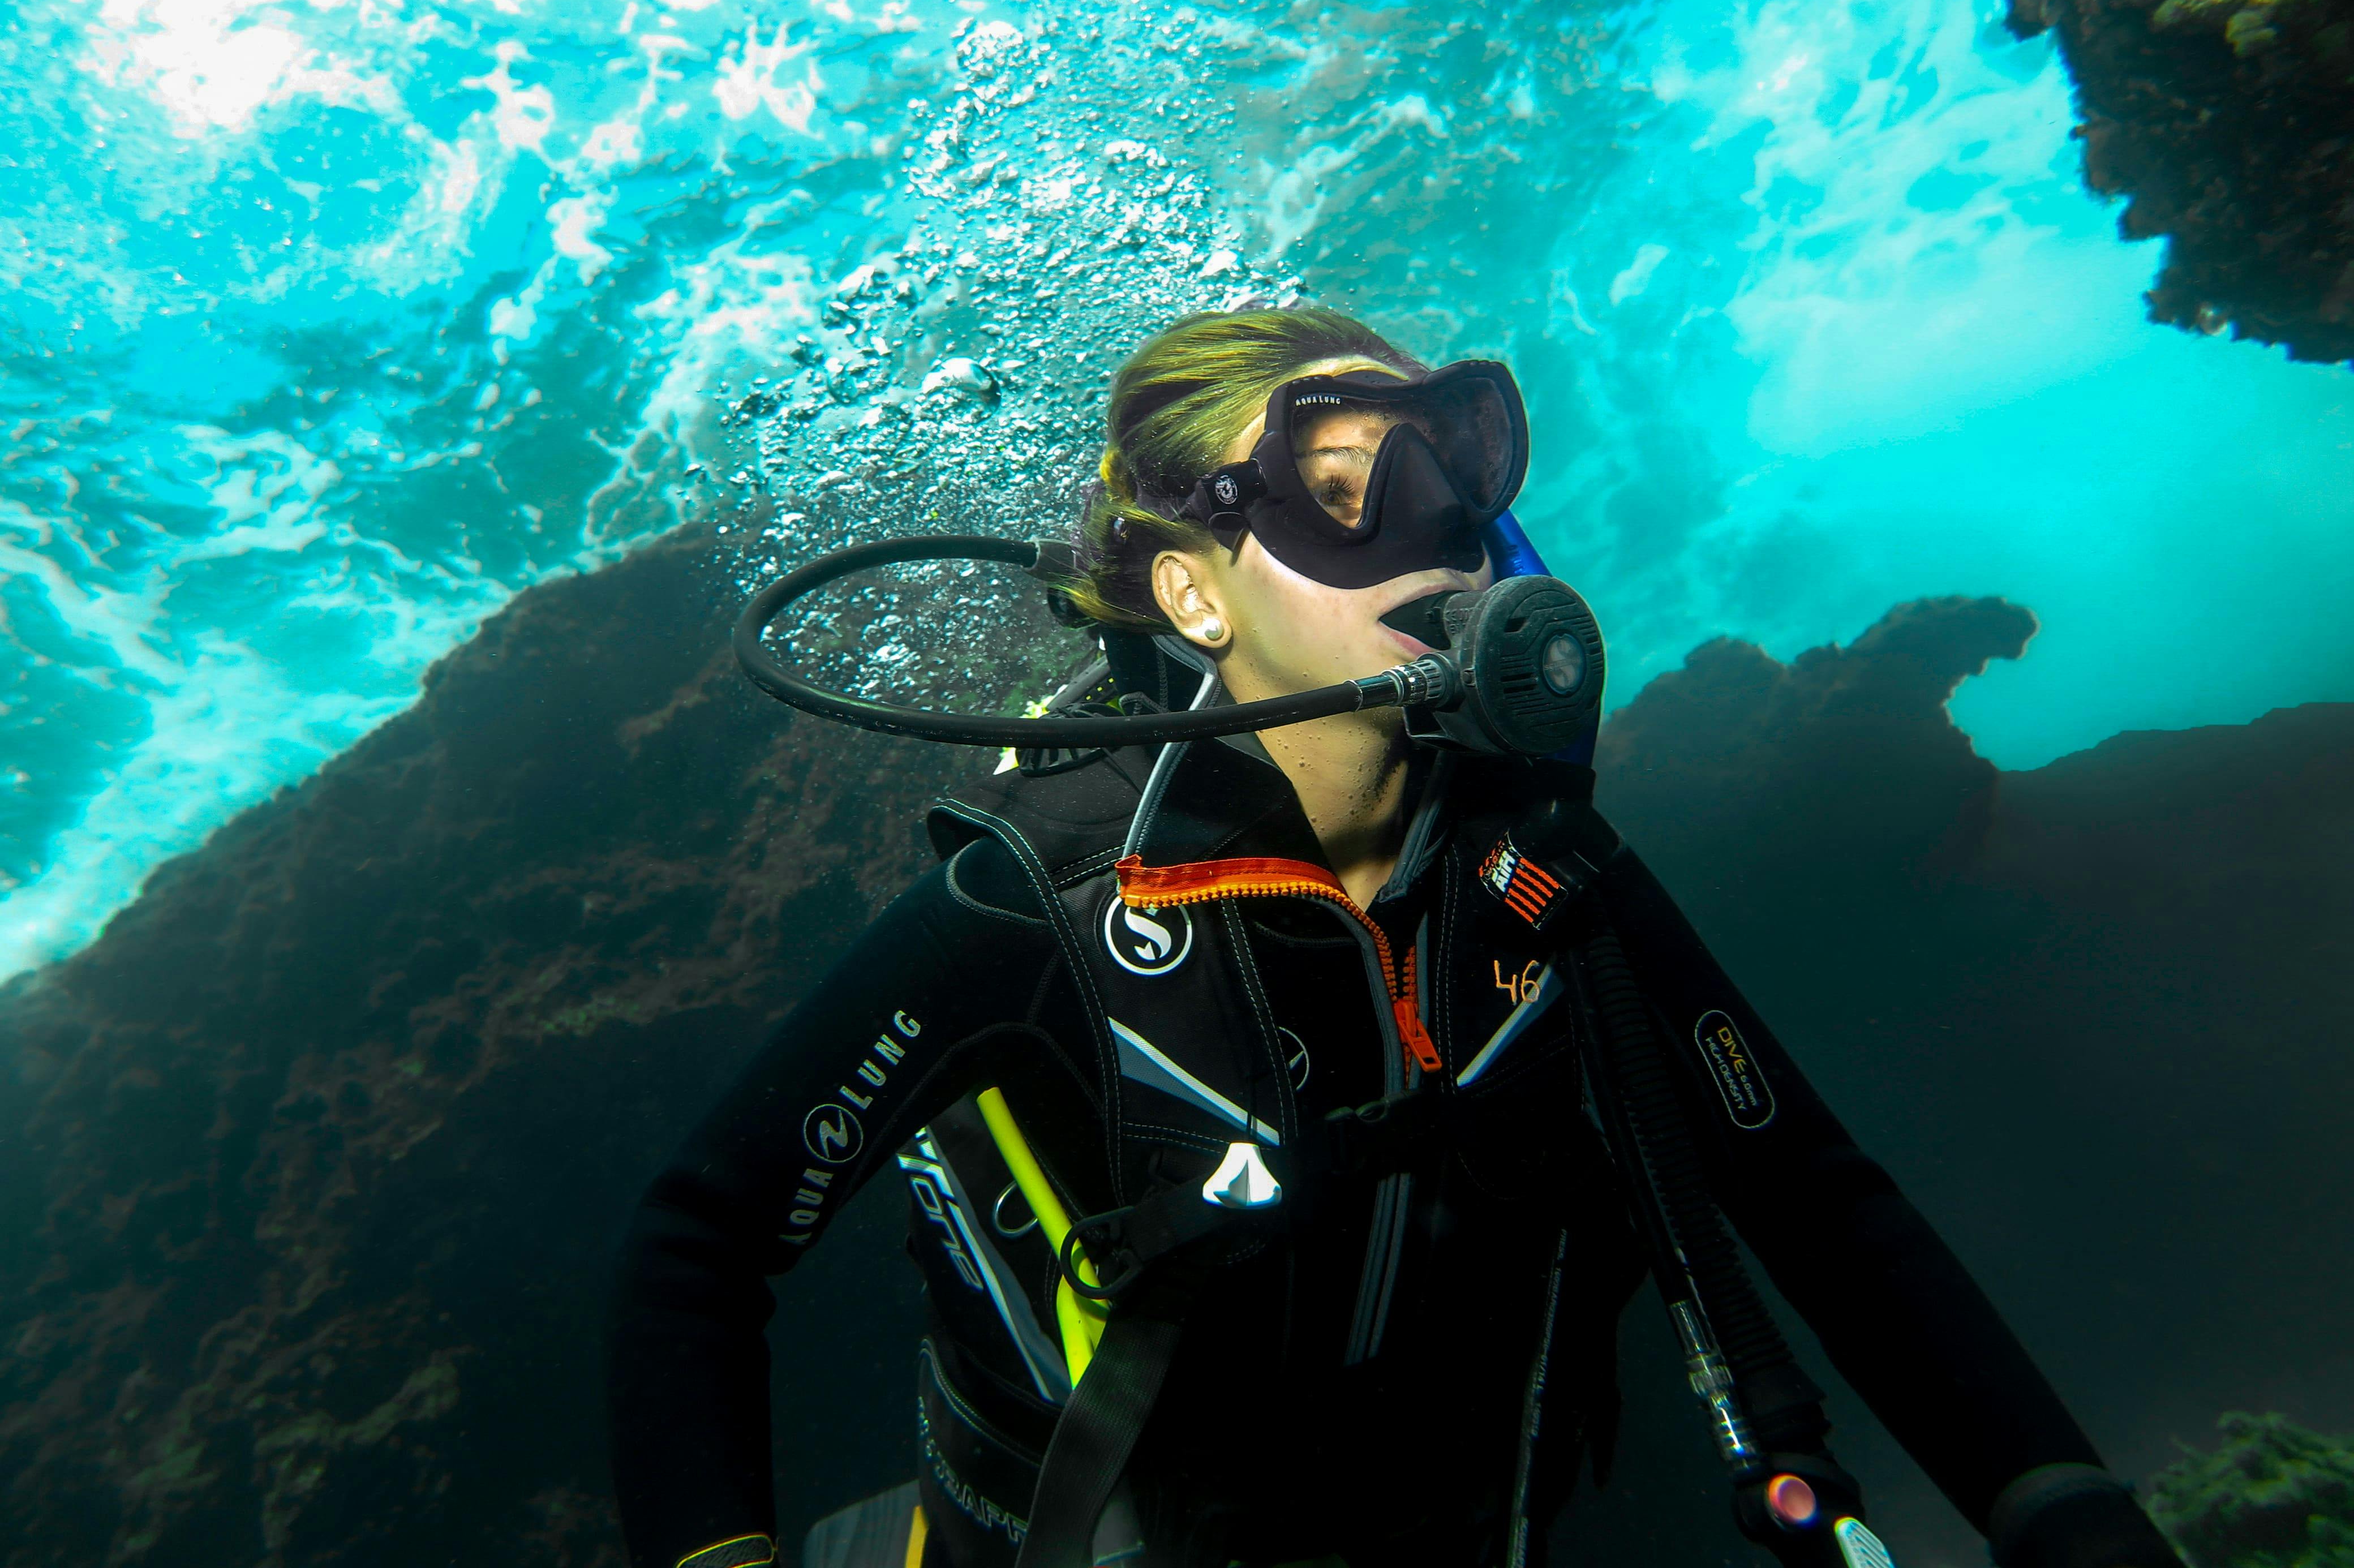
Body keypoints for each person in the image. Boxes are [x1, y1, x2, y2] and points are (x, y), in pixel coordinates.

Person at [606, 306, 2185, 1568]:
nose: (1430, 523)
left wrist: (2055, 1502)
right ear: (1195, 592)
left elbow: (1813, 1202)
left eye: (1457, 464)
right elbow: (700, 1242)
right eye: (1349, 481)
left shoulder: (1548, 874)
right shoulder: (1056, 904)